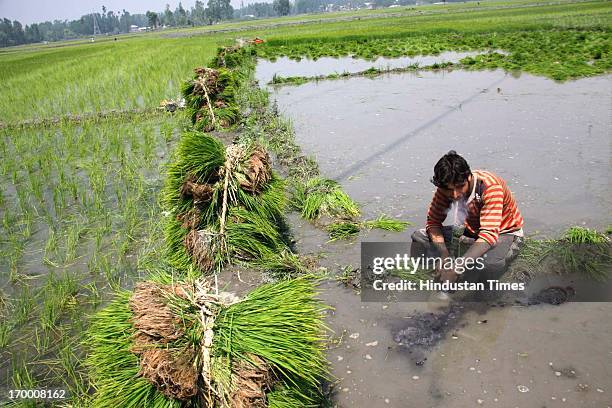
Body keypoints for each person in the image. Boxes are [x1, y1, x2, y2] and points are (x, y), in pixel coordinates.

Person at [411, 151, 524, 285]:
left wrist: (458, 267)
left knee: (490, 264)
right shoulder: (445, 188)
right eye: (449, 189)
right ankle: (424, 278)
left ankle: (484, 293)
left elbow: (488, 235)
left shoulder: (490, 187)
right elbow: (433, 222)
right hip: (472, 230)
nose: (455, 194)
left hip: (503, 232)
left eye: (460, 187)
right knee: (419, 237)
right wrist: (444, 254)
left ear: (469, 177)